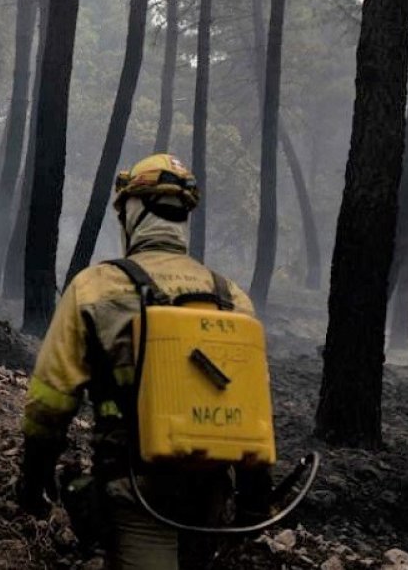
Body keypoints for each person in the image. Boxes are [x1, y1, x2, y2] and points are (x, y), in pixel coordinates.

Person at [15, 154, 269, 569]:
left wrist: (35, 474)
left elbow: (50, 398)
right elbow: (251, 410)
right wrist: (254, 495)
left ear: (130, 212)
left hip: (135, 486)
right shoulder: (233, 297)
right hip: (211, 493)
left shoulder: (96, 287)